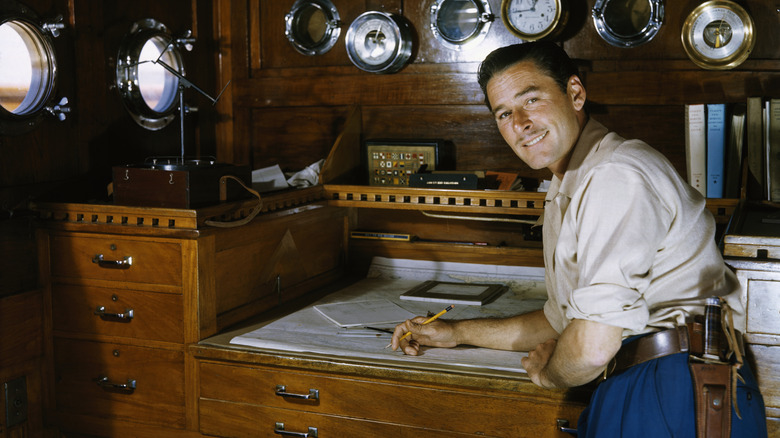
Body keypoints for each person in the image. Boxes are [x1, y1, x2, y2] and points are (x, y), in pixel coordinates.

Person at [390, 42, 767, 437]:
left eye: (531, 100)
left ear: (575, 93)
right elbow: (560, 319)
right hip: (647, 378)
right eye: (504, 113)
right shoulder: (570, 183)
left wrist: (549, 373)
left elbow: (590, 347)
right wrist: (457, 333)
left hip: (674, 388)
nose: (520, 122)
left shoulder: (615, 176)